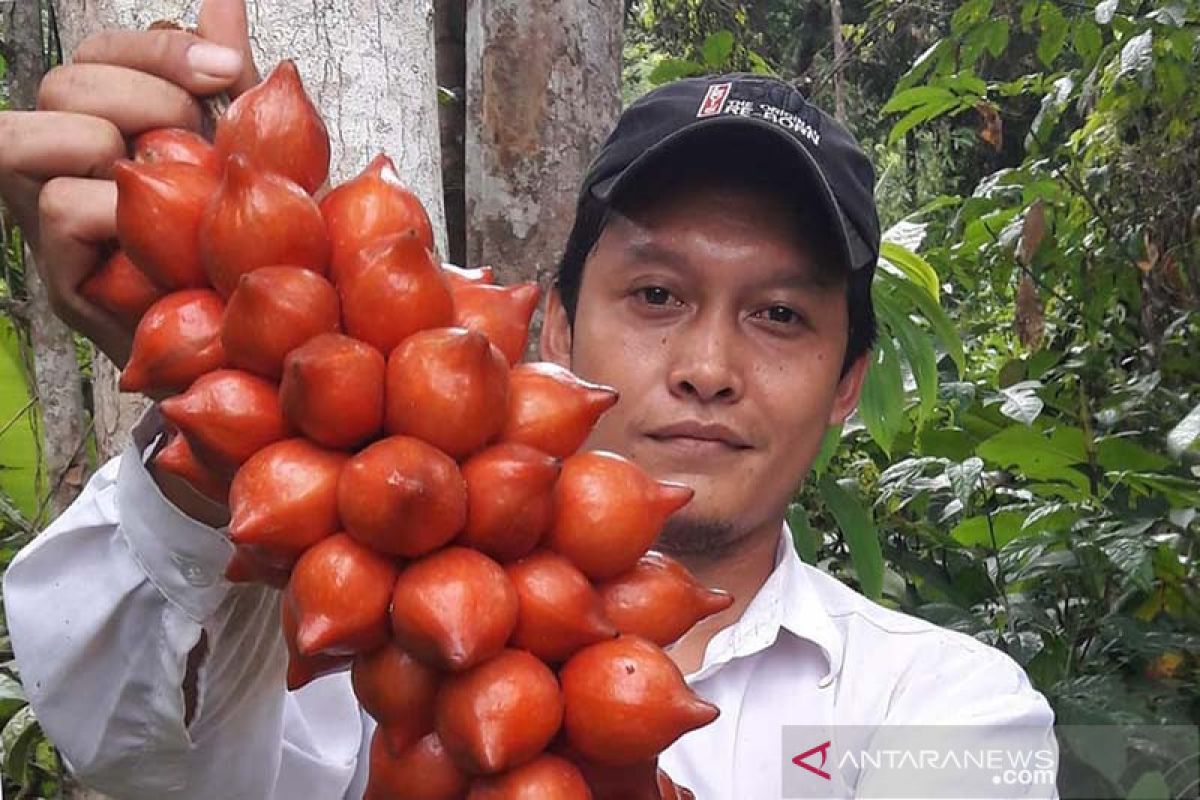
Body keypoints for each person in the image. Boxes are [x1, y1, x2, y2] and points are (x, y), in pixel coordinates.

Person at [0, 1, 1058, 798]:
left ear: (847, 385)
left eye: (780, 314)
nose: (707, 364)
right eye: (655, 292)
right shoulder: (318, 646)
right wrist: (210, 403)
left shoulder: (948, 709)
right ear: (551, 328)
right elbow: (133, 745)